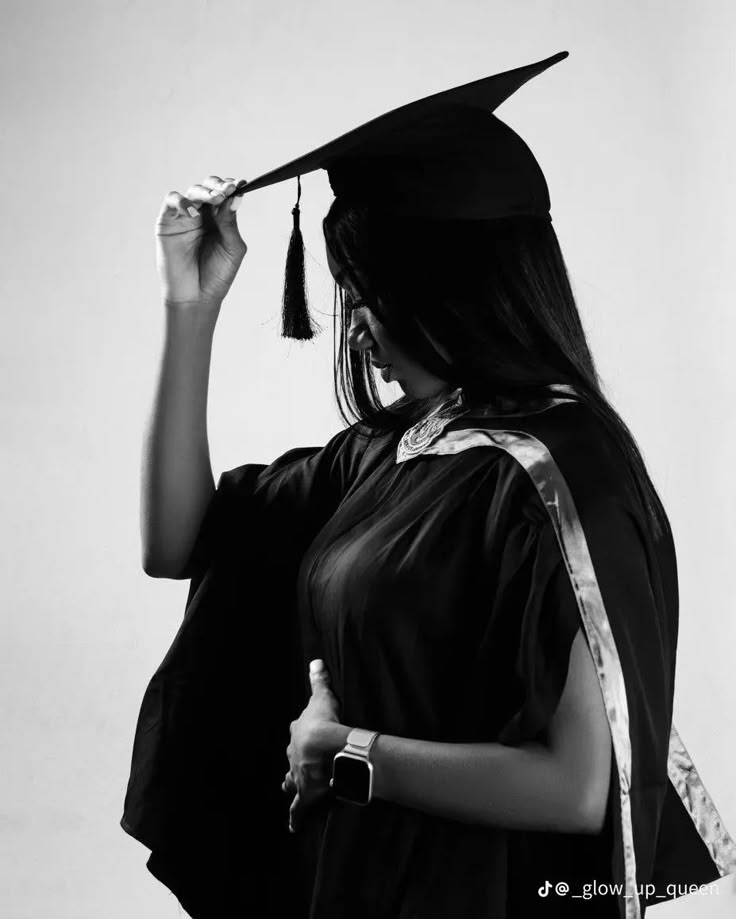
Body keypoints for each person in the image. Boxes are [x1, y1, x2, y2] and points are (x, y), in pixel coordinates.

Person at [121, 53, 736, 919]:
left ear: (447, 288)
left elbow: (577, 786)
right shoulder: (397, 451)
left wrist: (346, 754)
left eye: (368, 292)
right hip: (357, 884)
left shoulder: (563, 474)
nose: (356, 327)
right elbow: (175, 544)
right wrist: (189, 308)